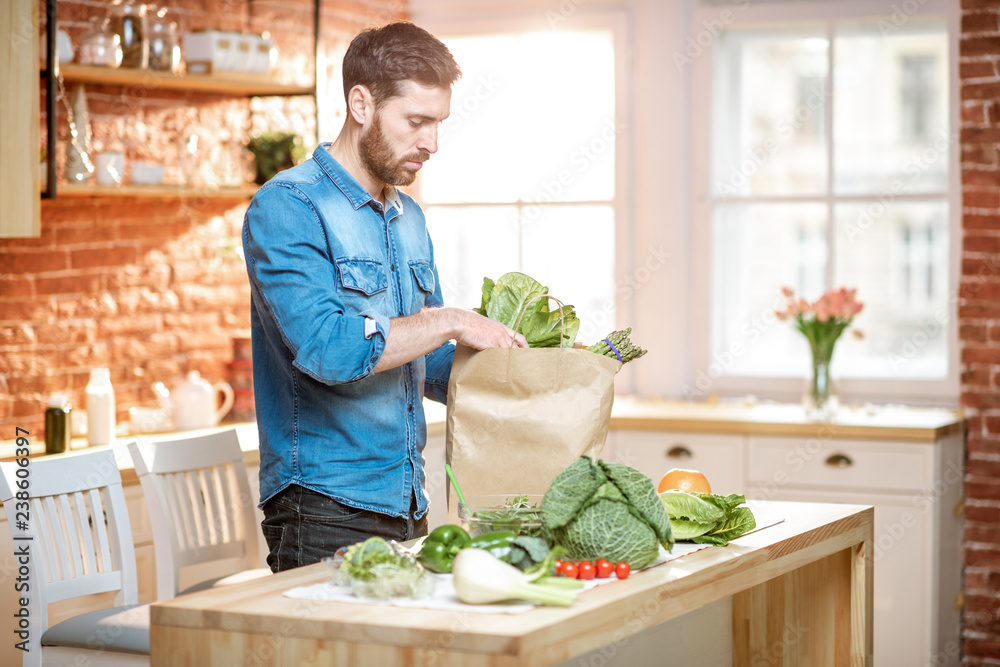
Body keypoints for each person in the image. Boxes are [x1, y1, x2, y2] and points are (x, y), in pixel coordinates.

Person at [242, 21, 527, 573]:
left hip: (409, 503)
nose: (432, 143)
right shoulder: (288, 207)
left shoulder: (409, 217)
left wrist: (523, 363)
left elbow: (431, 363)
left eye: (438, 123)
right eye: (417, 121)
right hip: (324, 510)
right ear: (361, 104)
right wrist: (449, 320)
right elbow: (327, 349)